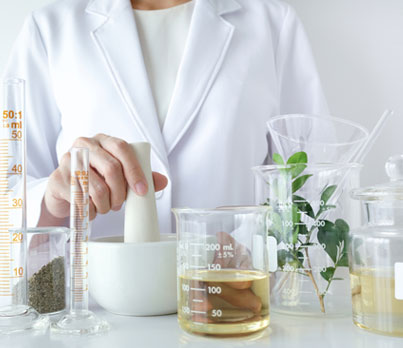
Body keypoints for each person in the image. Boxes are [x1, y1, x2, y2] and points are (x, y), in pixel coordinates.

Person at [2, 0, 328, 237]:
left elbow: (315, 184)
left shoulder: (271, 24)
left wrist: (258, 249)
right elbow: (8, 187)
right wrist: (50, 199)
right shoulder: (50, 29)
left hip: (232, 303)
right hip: (94, 309)